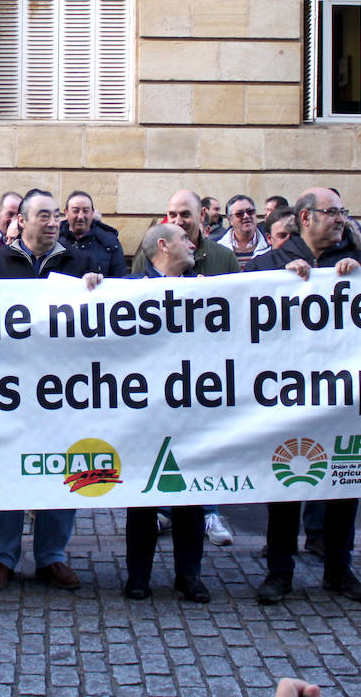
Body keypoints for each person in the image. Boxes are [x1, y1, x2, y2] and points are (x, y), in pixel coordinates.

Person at [250, 188, 361, 605]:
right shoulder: (270, 264)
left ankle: (339, 570)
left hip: (343, 396)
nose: (339, 219)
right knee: (285, 484)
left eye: (342, 212)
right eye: (331, 212)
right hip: (288, 396)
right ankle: (279, 572)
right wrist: (280, 283)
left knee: (344, 483)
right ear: (306, 217)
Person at [0, 189, 98, 592]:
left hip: (62, 391)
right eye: (43, 216)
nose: (53, 223)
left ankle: (52, 556)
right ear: (22, 222)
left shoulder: (79, 263)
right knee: (4, 466)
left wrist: (99, 288)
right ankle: (2, 556)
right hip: (7, 390)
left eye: (56, 216)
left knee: (63, 467)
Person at [122, 223, 210, 603]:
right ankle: (138, 576)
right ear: (163, 246)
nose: (192, 244)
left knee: (189, 496)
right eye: (184, 240)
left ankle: (188, 575)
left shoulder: (208, 287)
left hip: (190, 405)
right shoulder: (126, 290)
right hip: (143, 408)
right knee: (141, 497)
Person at [131, 191, 239, 277]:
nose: (178, 222)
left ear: (201, 214)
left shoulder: (224, 258)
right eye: (173, 215)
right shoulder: (147, 257)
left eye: (185, 214)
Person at [57, 190, 128, 277]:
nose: (80, 216)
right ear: (66, 213)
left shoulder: (110, 243)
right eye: (76, 211)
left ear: (92, 213)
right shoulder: (54, 241)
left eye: (86, 211)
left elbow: (120, 279)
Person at [214, 195, 271, 270]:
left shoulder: (271, 244)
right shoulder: (217, 248)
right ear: (230, 220)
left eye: (250, 212)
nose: (246, 216)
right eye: (239, 214)